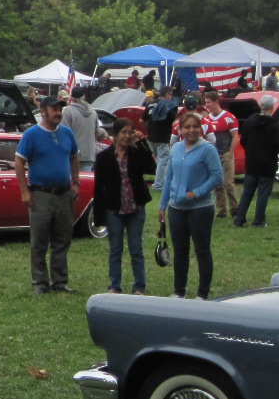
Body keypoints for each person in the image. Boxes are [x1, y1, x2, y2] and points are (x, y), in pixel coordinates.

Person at [14, 98, 81, 294]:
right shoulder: (32, 134)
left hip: (64, 194)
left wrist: (75, 182)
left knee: (62, 239)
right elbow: (19, 162)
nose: (58, 112)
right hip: (41, 194)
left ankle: (59, 281)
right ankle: (40, 283)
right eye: (54, 109)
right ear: (43, 111)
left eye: (60, 109)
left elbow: (74, 157)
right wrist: (24, 191)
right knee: (39, 241)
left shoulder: (67, 133)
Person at [157, 111, 223, 298]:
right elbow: (169, 177)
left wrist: (197, 193)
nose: (191, 130)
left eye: (195, 126)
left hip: (200, 208)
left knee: (202, 250)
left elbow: (217, 177)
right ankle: (179, 291)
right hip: (177, 208)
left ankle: (202, 293)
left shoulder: (208, 149)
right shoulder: (176, 148)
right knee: (180, 251)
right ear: (180, 130)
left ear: (201, 129)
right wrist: (163, 205)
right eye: (187, 127)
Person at [93, 118, 154, 293]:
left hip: (135, 207)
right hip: (114, 208)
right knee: (115, 249)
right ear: (115, 135)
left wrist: (142, 142)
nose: (127, 136)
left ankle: (139, 285)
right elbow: (99, 187)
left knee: (136, 249)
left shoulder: (135, 153)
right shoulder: (103, 157)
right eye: (123, 133)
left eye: (130, 132)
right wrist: (99, 216)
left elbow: (151, 167)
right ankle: (115, 285)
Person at [234, 94, 279, 227]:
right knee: (263, 193)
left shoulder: (250, 122)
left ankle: (239, 218)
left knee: (247, 192)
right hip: (268, 163)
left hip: (251, 162)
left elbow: (244, 141)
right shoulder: (275, 125)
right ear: (272, 107)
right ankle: (259, 220)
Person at [199, 88, 238, 218]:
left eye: (209, 102)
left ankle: (234, 208)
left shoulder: (229, 118)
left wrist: (230, 152)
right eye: (206, 102)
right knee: (218, 184)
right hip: (213, 154)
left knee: (228, 183)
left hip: (225, 152)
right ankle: (221, 210)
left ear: (216, 102)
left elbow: (235, 136)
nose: (207, 105)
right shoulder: (207, 119)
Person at [144, 85, 179, 189]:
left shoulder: (150, 104)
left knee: (159, 160)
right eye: (170, 94)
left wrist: (149, 130)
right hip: (163, 136)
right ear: (167, 93)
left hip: (151, 136)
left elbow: (142, 120)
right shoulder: (170, 105)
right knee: (164, 160)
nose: (171, 97)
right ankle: (158, 184)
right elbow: (175, 121)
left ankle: (161, 181)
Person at [63, 90, 99, 171]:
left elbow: (63, 133)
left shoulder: (68, 111)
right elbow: (96, 132)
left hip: (71, 155)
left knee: (72, 182)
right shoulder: (93, 112)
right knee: (85, 181)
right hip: (88, 155)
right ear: (84, 97)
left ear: (71, 98)